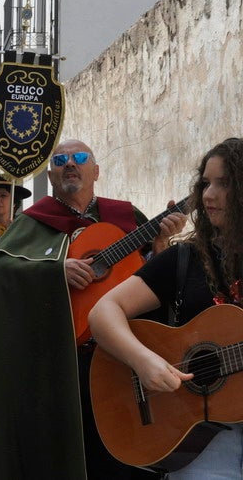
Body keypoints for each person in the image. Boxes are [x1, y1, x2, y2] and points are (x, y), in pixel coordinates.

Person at [0, 139, 187, 480]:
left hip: (124, 356)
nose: (70, 164)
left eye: (79, 158)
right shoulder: (32, 222)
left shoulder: (127, 216)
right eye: (61, 159)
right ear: (51, 174)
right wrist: (52, 271)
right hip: (62, 362)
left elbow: (152, 276)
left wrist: (161, 245)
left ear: (96, 171)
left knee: (125, 454)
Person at [89, 137, 243, 479]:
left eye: (224, 183)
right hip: (204, 444)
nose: (207, 196)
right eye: (205, 183)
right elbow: (103, 312)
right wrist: (142, 361)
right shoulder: (186, 258)